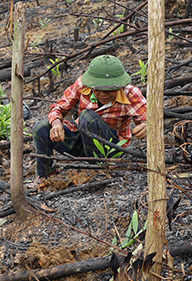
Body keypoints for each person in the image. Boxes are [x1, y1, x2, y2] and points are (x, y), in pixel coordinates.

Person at [30, 55, 147, 190]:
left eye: (109, 90)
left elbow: (149, 120)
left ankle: (96, 170)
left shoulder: (130, 94)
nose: (103, 94)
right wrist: (56, 124)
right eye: (98, 89)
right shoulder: (82, 85)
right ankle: (45, 175)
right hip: (82, 142)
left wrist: (146, 127)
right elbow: (59, 107)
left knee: (88, 117)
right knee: (41, 128)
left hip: (111, 148)